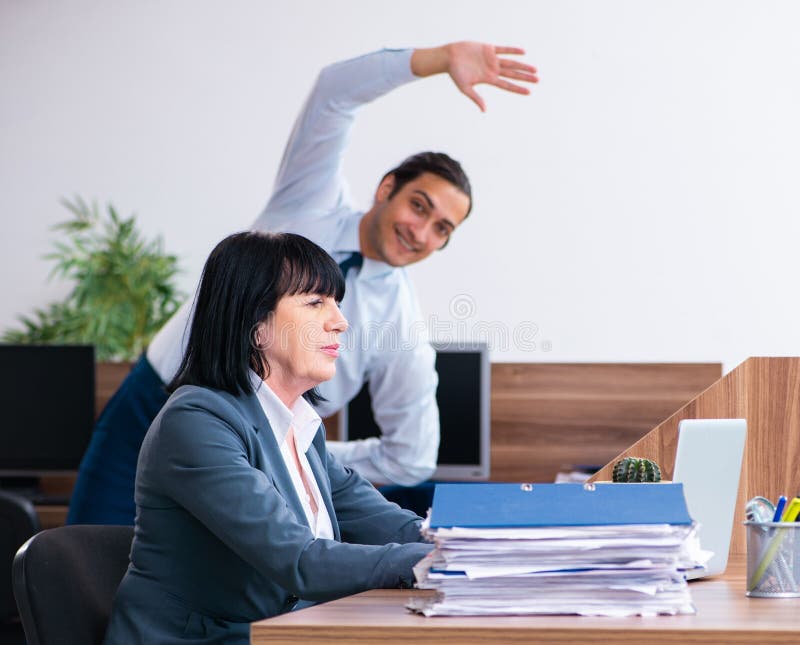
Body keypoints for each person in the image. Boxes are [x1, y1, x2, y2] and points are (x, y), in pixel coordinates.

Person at [68, 41, 538, 525]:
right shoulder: (309, 203)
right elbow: (334, 91)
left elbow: (412, 456)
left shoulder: (400, 324)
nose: (421, 231)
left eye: (443, 229)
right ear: (386, 188)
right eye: (419, 205)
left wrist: (301, 446)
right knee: (84, 560)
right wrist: (440, 59)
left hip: (245, 451)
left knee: (205, 588)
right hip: (153, 404)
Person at [103, 231, 433, 644]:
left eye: (336, 302)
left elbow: (385, 522)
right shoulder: (197, 423)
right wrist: (434, 560)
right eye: (316, 303)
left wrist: (473, 544)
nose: (340, 321)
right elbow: (300, 561)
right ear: (255, 324)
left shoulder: (298, 425)